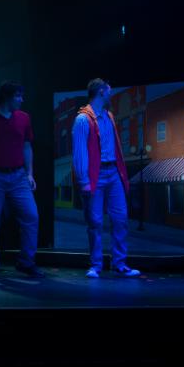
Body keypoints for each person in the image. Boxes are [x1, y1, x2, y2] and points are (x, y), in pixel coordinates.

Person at [0, 81, 43, 278]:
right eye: (18, 96)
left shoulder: (23, 118)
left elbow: (27, 146)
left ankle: (26, 262)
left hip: (18, 176)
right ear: (6, 98)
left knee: (31, 216)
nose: (21, 100)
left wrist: (29, 173)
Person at [72, 78, 141, 278]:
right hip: (96, 175)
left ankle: (120, 263)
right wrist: (84, 180)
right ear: (101, 92)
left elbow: (114, 147)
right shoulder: (82, 119)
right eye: (108, 90)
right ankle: (95, 265)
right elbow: (79, 152)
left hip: (113, 173)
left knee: (120, 219)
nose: (110, 93)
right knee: (95, 222)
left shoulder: (109, 116)